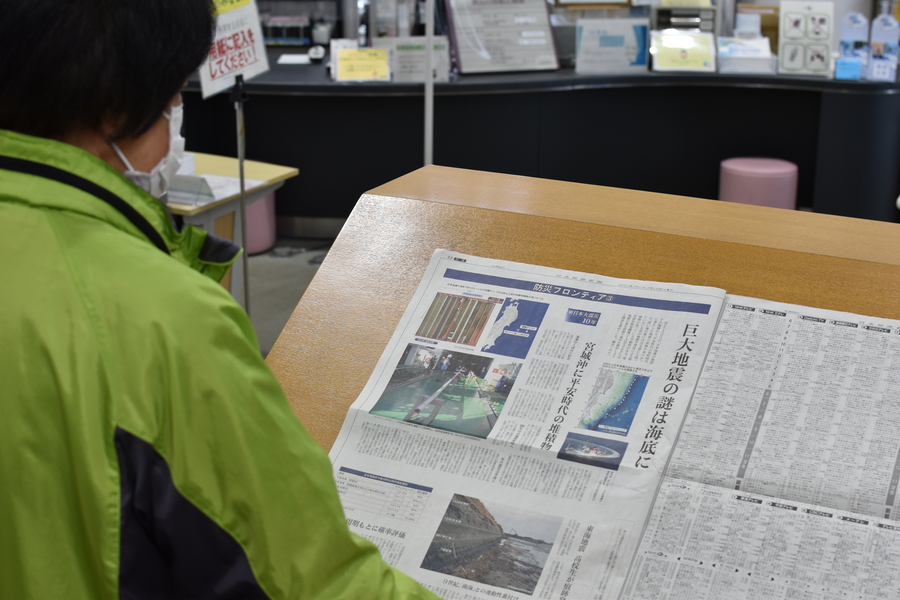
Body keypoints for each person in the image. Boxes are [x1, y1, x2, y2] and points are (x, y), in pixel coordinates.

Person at [0, 1, 440, 599]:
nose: (176, 120)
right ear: (114, 108)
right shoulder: (163, 320)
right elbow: (314, 581)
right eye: (170, 99)